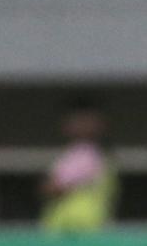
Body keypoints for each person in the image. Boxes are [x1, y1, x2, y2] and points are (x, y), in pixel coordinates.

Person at [40, 98, 118, 233]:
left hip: (74, 227)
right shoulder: (101, 155)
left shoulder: (84, 154)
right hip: (84, 226)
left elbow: (54, 188)